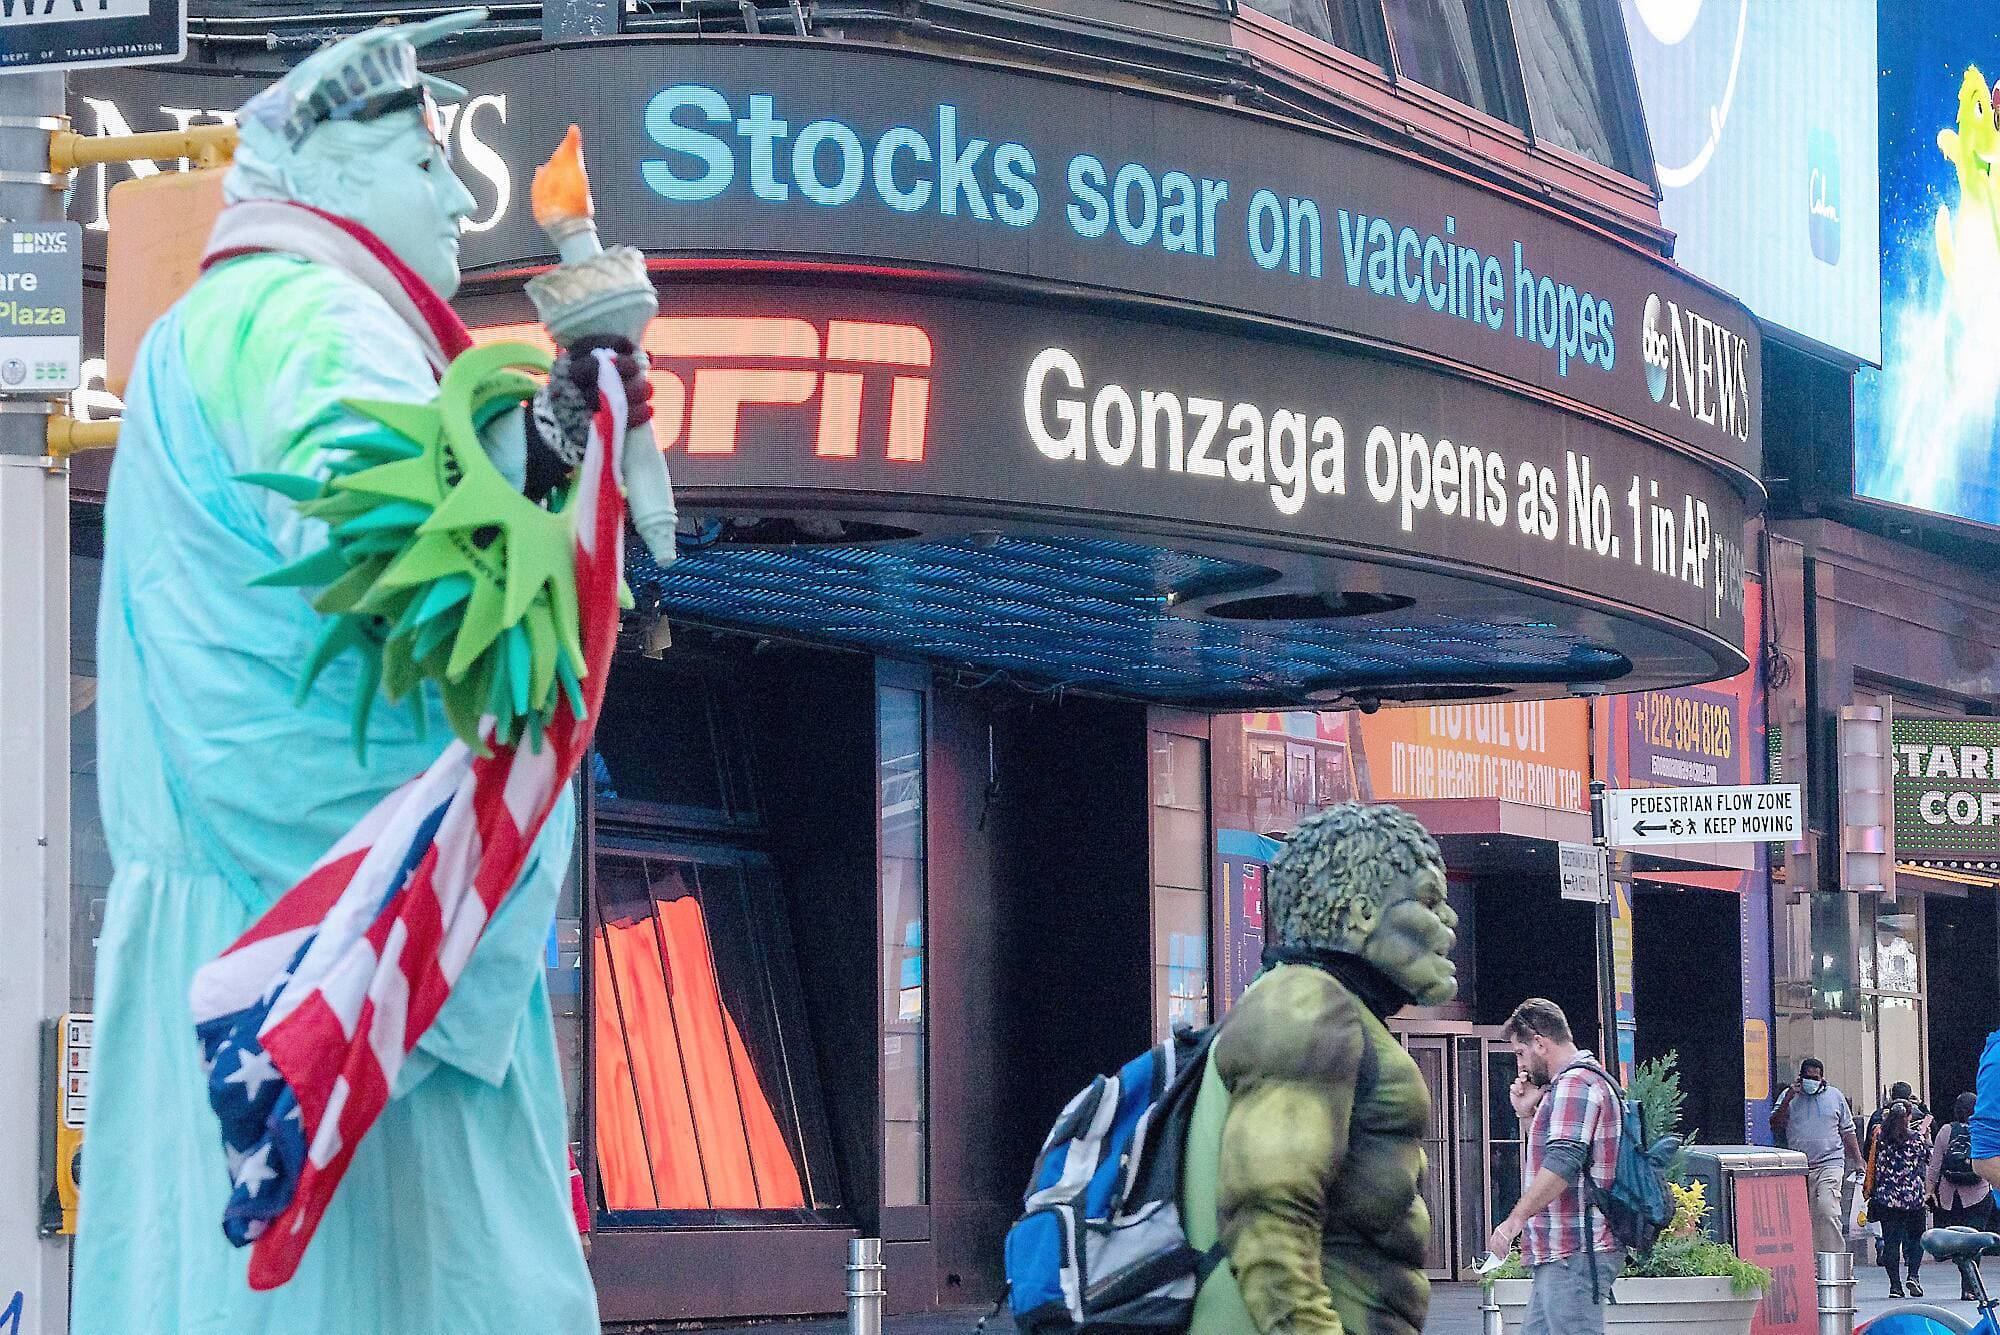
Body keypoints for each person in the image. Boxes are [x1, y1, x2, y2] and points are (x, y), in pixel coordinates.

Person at [70, 12, 637, 1332]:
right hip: (336, 941)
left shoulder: (219, 329)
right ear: (326, 175)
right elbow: (366, 514)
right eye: (422, 163)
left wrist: (534, 452)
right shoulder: (309, 315)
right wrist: (546, 462)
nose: (455, 196)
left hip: (252, 934)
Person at [1181, 802, 1461, 1335]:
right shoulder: (1306, 1005)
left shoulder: (1312, 1003)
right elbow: (1269, 1219)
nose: (1448, 922)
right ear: (1360, 912)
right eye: (1429, 899)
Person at [1487, 999, 1622, 1335]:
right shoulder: (1573, 1084)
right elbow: (1556, 1156)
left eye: (1520, 1053)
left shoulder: (1576, 1084)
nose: (1520, 1065)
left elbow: (1562, 1165)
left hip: (1574, 1250)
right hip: (1565, 1252)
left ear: (1540, 1043)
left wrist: (1512, 1223)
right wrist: (1525, 1113)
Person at [1771, 1058, 1865, 1254]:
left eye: (1815, 1077)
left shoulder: (1835, 1096)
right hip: (1799, 1166)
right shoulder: (1789, 1096)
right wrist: (1788, 1098)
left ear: (1822, 1078)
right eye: (1807, 1077)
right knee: (1804, 1215)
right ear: (1800, 1077)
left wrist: (1858, 1160)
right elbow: (1775, 1123)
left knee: (1827, 1209)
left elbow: (1848, 1131)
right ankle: (1811, 1258)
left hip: (1830, 1162)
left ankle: (1834, 1258)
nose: (1811, 1081)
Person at [1928, 1092, 1994, 1301]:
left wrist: (1929, 1190)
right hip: (1979, 1194)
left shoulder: (1946, 1131)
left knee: (1960, 1241)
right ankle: (1970, 1286)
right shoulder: (1984, 1131)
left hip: (1951, 1196)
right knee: (1975, 1239)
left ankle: (1966, 1282)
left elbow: (1934, 1165)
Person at [1869, 1103, 1931, 1298]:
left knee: (1891, 1242)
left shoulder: (1880, 1138)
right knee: (1915, 1239)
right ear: (1909, 1117)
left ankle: (1895, 1286)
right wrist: (1926, 1136)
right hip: (1913, 1198)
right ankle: (1913, 1275)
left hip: (1887, 1199)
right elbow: (1928, 1158)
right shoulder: (1916, 1139)